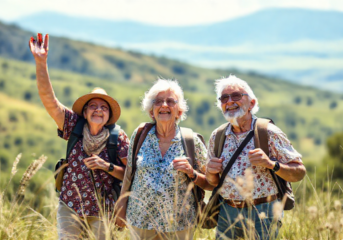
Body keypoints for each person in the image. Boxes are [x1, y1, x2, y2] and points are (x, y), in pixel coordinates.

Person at [29, 33, 129, 239]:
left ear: (109, 115)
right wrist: (41, 62)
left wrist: (106, 166)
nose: (98, 110)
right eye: (93, 106)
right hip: (70, 206)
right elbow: (49, 100)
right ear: (84, 113)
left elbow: (130, 175)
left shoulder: (118, 137)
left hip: (103, 211)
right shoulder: (74, 125)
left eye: (104, 107)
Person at [206, 75, 306, 240]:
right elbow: (214, 182)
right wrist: (210, 172)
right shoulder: (218, 136)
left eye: (236, 96)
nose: (229, 101)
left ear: (251, 103)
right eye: (224, 98)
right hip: (227, 212)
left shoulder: (269, 132)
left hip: (263, 212)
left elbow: (299, 172)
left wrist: (271, 164)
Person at [115, 79, 213, 240]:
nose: (164, 105)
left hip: (178, 224)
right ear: (151, 111)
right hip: (140, 220)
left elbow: (210, 183)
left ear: (179, 112)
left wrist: (191, 172)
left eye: (170, 101)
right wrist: (121, 203)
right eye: (158, 101)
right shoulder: (140, 135)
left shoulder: (191, 140)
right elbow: (129, 173)